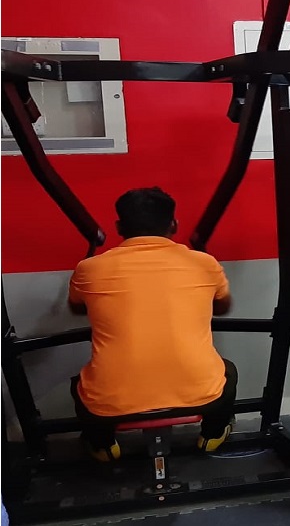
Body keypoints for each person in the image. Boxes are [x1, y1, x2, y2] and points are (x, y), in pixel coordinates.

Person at [68, 187, 237, 461]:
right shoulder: (205, 264)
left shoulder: (89, 268)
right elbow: (223, 307)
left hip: (111, 399)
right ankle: (213, 434)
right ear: (174, 224)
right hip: (199, 391)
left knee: (80, 386)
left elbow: (77, 308)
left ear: (119, 227)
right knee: (228, 373)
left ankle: (103, 446)